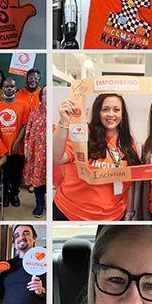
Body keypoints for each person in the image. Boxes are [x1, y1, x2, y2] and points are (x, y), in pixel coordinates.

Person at [53, 93, 141, 221]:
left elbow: (129, 181)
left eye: (116, 109)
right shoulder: (83, 133)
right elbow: (56, 158)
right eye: (105, 109)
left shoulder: (127, 141)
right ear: (98, 112)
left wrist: (129, 213)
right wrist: (64, 122)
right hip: (69, 213)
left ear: (122, 114)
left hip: (114, 218)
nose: (111, 114)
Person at [0, 78, 30, 209]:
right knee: (4, 173)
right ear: (2, 88)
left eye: (12, 86)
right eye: (6, 86)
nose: (9, 89)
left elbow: (25, 126)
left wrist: (16, 144)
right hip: (2, 149)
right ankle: (5, 195)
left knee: (16, 173)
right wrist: (1, 146)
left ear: (16, 88)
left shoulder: (24, 105)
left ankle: (14, 194)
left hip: (18, 148)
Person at [23, 88, 47, 218]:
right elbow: (28, 130)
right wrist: (27, 147)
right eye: (45, 93)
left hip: (55, 151)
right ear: (41, 96)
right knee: (38, 178)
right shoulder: (35, 110)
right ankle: (40, 204)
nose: (48, 95)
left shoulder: (60, 110)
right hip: (37, 151)